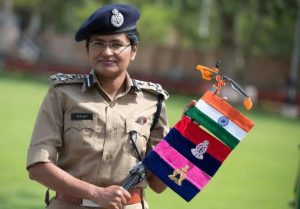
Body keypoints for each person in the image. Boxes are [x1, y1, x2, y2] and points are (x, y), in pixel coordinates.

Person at [26, 3, 171, 209]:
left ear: (133, 51)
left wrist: (186, 138)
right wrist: (96, 193)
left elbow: (158, 184)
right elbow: (38, 167)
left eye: (116, 44)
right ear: (88, 49)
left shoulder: (152, 102)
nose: (107, 51)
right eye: (98, 44)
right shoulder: (62, 93)